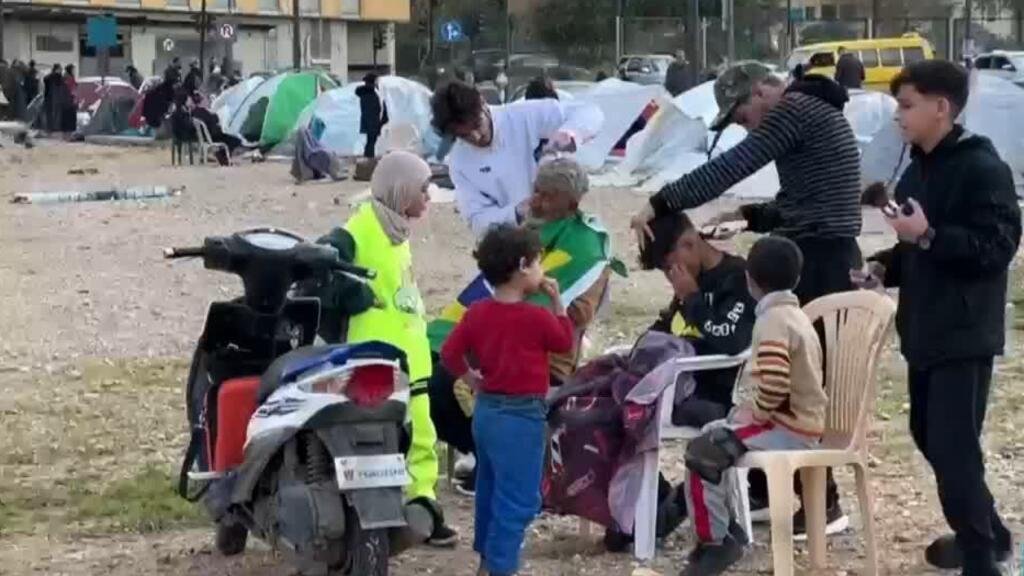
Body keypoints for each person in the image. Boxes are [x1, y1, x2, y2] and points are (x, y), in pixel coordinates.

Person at [629, 61, 861, 534]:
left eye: (739, 115)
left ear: (761, 92)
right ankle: (768, 484)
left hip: (820, 259)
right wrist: (751, 217)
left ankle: (822, 501)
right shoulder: (816, 110)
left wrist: (660, 201)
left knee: (799, 377)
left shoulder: (794, 109)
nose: (743, 125)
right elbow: (812, 198)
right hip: (826, 250)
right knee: (791, 371)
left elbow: (732, 166)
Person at [858, 60, 1019, 576]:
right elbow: (916, 241)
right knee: (930, 436)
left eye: (907, 106)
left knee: (953, 447)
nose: (899, 117)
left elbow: (995, 249)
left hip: (965, 331)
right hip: (924, 328)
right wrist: (885, 266)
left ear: (941, 108)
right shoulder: (917, 167)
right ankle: (989, 534)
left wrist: (927, 236)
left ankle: (979, 556)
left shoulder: (982, 166)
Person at [427, 158, 616, 496]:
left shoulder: (587, 248)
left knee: (447, 381)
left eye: (546, 196)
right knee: (427, 369)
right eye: (535, 191)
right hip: (500, 339)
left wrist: (533, 306)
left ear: (571, 203)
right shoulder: (530, 229)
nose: (536, 201)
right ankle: (485, 453)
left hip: (541, 359)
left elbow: (577, 317)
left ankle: (500, 461)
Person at [310, 151, 458, 548]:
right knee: (377, 439)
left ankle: (422, 505)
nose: (429, 197)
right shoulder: (356, 230)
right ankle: (369, 517)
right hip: (372, 359)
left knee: (422, 433)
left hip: (412, 357)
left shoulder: (398, 231)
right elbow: (317, 268)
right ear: (401, 189)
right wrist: (353, 295)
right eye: (423, 189)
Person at [680, 236, 826, 576]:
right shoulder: (794, 314)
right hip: (801, 422)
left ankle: (715, 542)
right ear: (797, 278)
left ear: (750, 280)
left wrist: (754, 413)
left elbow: (774, 383)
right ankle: (727, 529)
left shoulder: (772, 321)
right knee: (717, 434)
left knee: (704, 451)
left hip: (787, 425)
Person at [440, 224, 575, 576]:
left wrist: (472, 379)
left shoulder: (478, 312)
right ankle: (500, 568)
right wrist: (559, 301)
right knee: (519, 500)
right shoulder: (537, 316)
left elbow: (451, 353)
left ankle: (487, 561)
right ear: (522, 267)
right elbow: (564, 341)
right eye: (538, 262)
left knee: (490, 486)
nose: (542, 270)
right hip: (522, 416)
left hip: (486, 414)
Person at [431, 80, 604, 237]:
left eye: (477, 125)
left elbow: (591, 113)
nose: (476, 137)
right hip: (519, 239)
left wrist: (568, 134)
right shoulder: (460, 162)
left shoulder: (524, 115)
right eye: (464, 135)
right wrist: (518, 212)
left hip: (564, 225)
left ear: (483, 103)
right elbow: (476, 220)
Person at [189, 93, 242, 165]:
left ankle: (222, 156)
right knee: (236, 140)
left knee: (230, 138)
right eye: (205, 100)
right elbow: (216, 119)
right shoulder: (204, 112)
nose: (207, 101)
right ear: (202, 101)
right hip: (213, 136)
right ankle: (223, 157)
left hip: (205, 137)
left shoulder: (194, 112)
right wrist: (210, 111)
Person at [356, 73, 388, 159]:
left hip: (371, 121)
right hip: (372, 122)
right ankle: (369, 159)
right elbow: (373, 109)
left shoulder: (366, 93)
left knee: (370, 141)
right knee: (371, 142)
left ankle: (368, 158)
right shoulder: (370, 94)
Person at [42, 64, 63, 132]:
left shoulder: (48, 77)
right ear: (57, 69)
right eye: (60, 69)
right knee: (56, 113)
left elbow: (45, 79)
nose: (61, 70)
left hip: (48, 97)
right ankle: (55, 127)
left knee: (49, 113)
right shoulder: (58, 77)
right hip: (55, 98)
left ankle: (49, 127)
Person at [60, 64, 78, 133]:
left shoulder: (66, 77)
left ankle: (67, 133)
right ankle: (68, 134)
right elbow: (72, 90)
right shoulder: (68, 78)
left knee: (67, 117)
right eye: (73, 69)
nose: (74, 71)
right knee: (69, 118)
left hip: (67, 101)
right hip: (69, 101)